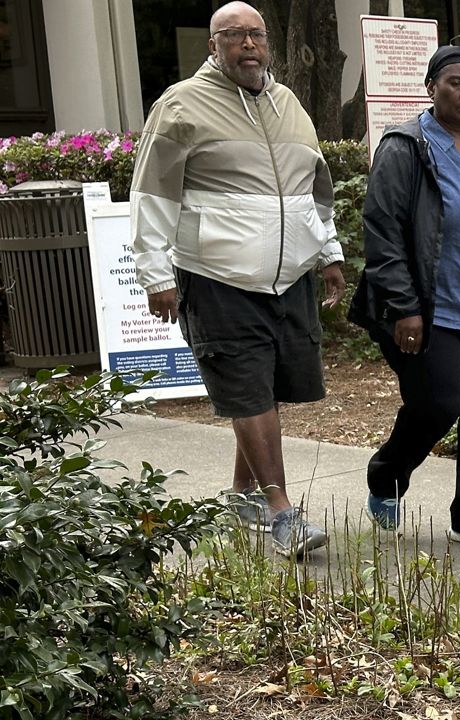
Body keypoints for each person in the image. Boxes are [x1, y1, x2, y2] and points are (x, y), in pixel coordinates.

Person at [130, 1, 345, 558]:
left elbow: (312, 191)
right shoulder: (181, 106)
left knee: (265, 389)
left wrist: (329, 252)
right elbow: (152, 195)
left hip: (289, 276)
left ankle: (242, 494)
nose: (249, 44)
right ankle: (282, 512)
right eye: (234, 36)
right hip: (217, 276)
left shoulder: (288, 103)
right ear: (213, 45)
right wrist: (155, 274)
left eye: (257, 35)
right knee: (247, 388)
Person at [348, 45, 460, 550]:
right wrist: (404, 306)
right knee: (437, 404)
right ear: (432, 88)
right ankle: (387, 473)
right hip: (431, 309)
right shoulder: (405, 147)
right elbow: (382, 231)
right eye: (455, 82)